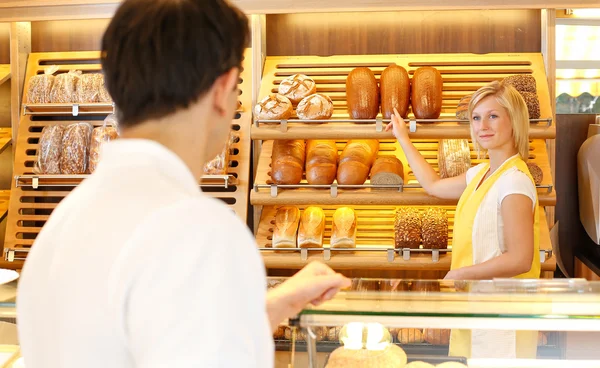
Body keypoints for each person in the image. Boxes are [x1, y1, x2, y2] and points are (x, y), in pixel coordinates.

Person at [16, 1, 350, 367]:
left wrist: (278, 304)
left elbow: (143, 334)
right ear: (222, 90)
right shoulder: (199, 230)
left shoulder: (63, 224)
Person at [386, 81, 540, 359]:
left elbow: (520, 258)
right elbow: (433, 184)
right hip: (477, 304)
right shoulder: (482, 174)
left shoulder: (514, 181)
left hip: (502, 316)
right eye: (477, 118)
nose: (483, 125)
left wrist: (461, 274)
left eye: (493, 116)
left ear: (514, 120)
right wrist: (403, 137)